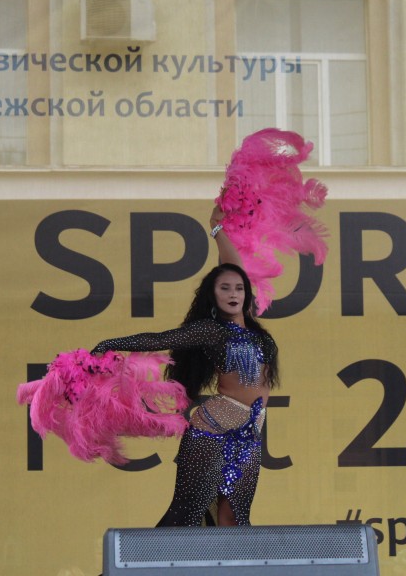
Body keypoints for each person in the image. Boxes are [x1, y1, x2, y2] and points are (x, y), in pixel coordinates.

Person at [90, 207, 279, 527]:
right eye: (224, 288)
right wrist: (110, 344)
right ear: (212, 295)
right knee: (186, 515)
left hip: (249, 435)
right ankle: (138, 558)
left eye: (238, 288)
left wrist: (218, 229)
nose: (233, 293)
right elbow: (161, 338)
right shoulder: (211, 331)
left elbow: (234, 267)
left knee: (235, 520)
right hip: (213, 430)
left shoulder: (253, 329)